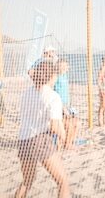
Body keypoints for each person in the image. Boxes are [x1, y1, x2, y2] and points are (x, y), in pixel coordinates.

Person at [15, 60, 70, 198]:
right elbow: (54, 126)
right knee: (63, 181)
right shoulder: (53, 96)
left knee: (27, 182)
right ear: (52, 76)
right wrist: (65, 139)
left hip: (23, 141)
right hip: (40, 140)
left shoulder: (27, 92)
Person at [54, 58, 78, 150]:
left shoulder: (64, 75)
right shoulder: (55, 76)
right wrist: (62, 107)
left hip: (67, 105)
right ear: (58, 66)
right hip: (60, 106)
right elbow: (54, 92)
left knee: (76, 123)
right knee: (68, 125)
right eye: (62, 66)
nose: (65, 67)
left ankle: (68, 142)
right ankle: (66, 144)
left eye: (66, 66)